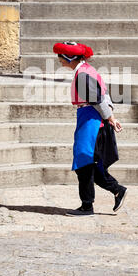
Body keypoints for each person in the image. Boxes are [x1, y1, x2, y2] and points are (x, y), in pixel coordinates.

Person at [53, 41, 127, 217]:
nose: (60, 62)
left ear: (69, 57)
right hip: (90, 119)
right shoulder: (86, 71)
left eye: (61, 59)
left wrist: (110, 118)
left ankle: (88, 205)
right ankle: (116, 190)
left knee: (85, 163)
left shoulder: (83, 75)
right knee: (87, 164)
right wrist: (110, 117)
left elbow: (98, 100)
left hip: (92, 122)